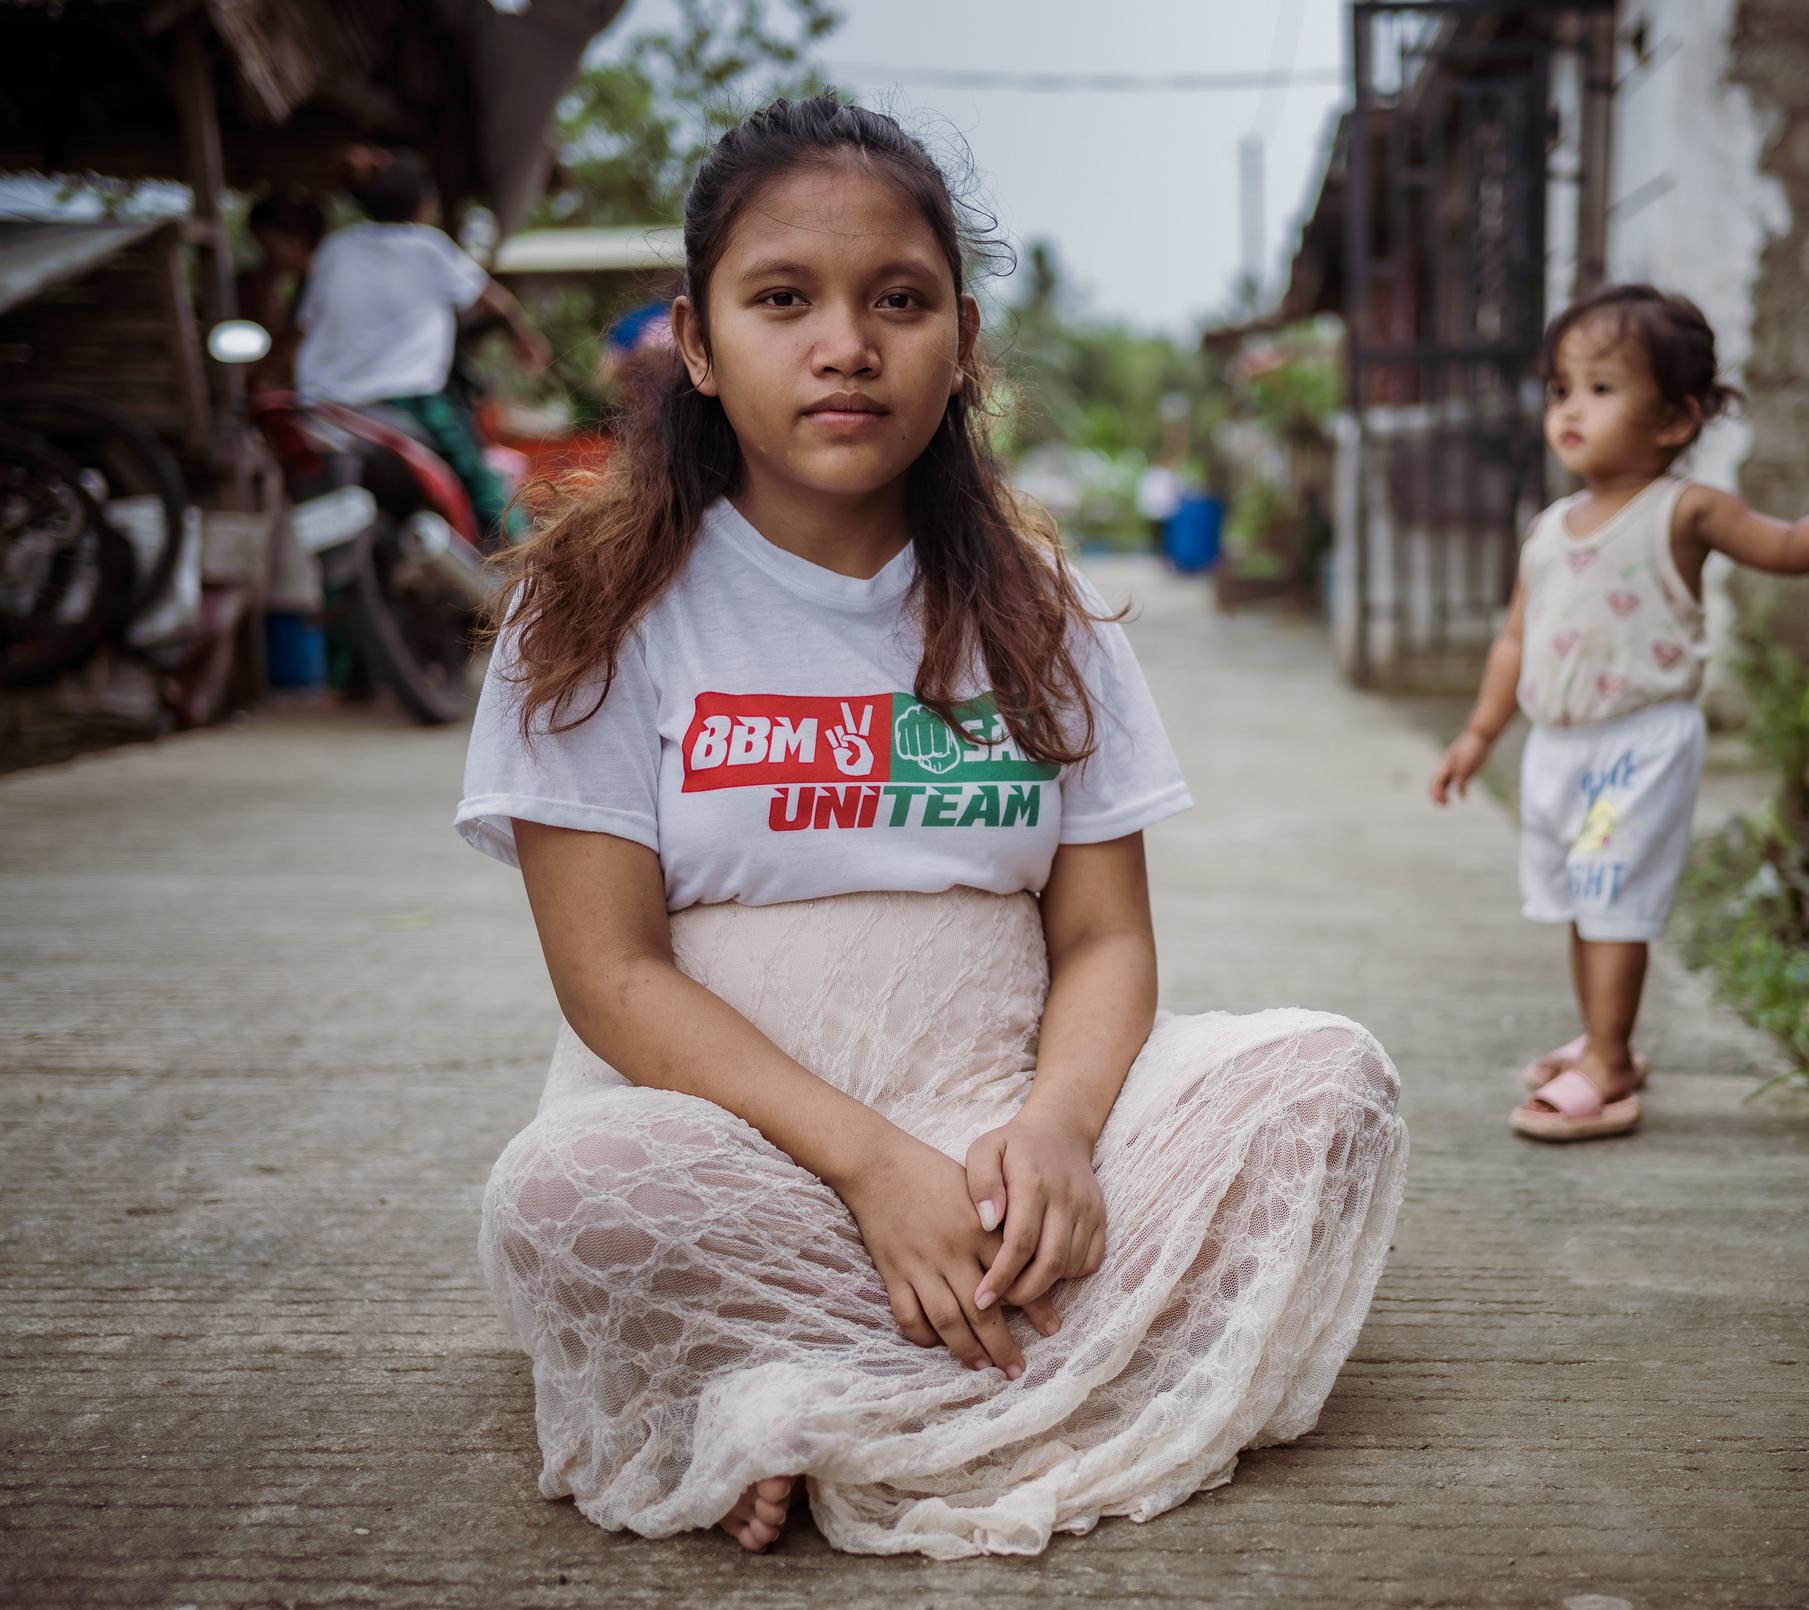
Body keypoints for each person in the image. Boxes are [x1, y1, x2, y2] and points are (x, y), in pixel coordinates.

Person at [455, 95, 1408, 1559]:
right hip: (740, 1147)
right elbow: (612, 978)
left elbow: (1100, 935)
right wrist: (873, 1172)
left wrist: (1060, 1134)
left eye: (897, 301)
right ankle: (1015, 1362)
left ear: (960, 339)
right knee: (569, 1195)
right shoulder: (593, 610)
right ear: (698, 345)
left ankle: (805, 1383)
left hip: (1004, 1141)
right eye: (783, 299)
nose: (846, 343)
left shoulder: (1041, 605)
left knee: (1327, 1084)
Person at [1429, 284, 1809, 1142]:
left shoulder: (1683, 510)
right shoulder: (1547, 529)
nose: (1570, 408)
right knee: (1586, 899)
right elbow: (1516, 640)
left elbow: (1791, 543)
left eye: (1600, 387)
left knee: (1613, 898)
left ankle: (1611, 1061)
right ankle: (1601, 1041)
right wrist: (1480, 732)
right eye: (1559, 389)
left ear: (1675, 420)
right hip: (1559, 746)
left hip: (1638, 747)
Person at [294, 148, 551, 541]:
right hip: (406, 401)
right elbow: (491, 299)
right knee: (478, 476)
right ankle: (528, 565)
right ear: (423, 204)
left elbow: (305, 325)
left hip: (324, 404)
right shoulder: (428, 247)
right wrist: (524, 337)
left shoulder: (335, 249)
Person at [235, 191, 325, 394]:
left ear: (297, 239)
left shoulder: (323, 283)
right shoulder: (292, 285)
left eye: (267, 245)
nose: (264, 256)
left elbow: (298, 341)